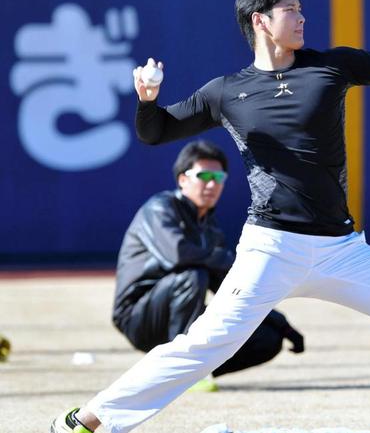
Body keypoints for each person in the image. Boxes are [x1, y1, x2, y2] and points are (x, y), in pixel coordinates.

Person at [48, 0, 370, 433]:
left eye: (300, 8)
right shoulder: (226, 92)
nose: (302, 17)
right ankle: (83, 420)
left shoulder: (330, 67)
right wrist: (146, 99)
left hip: (342, 249)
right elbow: (156, 131)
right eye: (291, 10)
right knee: (203, 347)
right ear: (261, 21)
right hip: (270, 248)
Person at [112, 139, 304, 385]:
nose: (212, 183)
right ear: (182, 180)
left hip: (182, 311)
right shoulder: (160, 208)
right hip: (139, 316)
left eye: (218, 177)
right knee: (192, 275)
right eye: (203, 175)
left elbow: (231, 284)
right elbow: (179, 255)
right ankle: (179, 374)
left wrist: (280, 322)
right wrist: (224, 259)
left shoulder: (209, 228)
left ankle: (197, 373)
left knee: (268, 338)